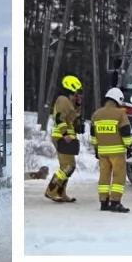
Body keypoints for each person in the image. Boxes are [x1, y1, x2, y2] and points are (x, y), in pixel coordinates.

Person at [90, 87, 132, 213]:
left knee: (104, 176)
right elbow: (125, 132)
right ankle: (115, 202)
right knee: (118, 176)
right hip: (117, 152)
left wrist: (96, 148)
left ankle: (103, 202)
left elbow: (93, 135)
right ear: (118, 100)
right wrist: (129, 146)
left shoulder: (96, 114)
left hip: (102, 152)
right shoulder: (120, 114)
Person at [45, 75, 84, 203]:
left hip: (67, 137)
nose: (78, 94)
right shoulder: (62, 100)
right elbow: (59, 118)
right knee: (68, 166)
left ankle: (61, 192)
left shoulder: (69, 102)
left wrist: (78, 105)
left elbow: (73, 118)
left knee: (68, 167)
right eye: (77, 91)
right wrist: (65, 133)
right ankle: (51, 190)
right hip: (62, 137)